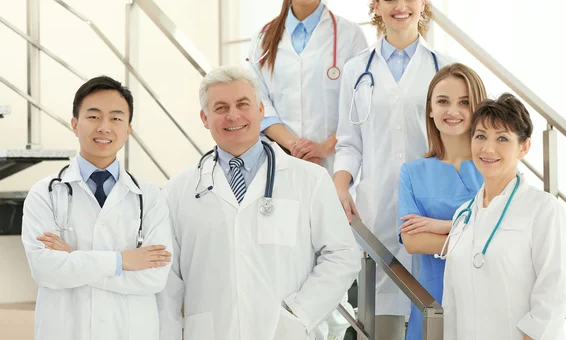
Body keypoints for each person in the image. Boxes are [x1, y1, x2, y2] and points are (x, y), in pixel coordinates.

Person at [157, 65, 361, 340]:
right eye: (220, 108)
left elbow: (342, 255)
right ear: (205, 118)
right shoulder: (177, 191)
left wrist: (299, 314)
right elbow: (168, 281)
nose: (233, 115)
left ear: (261, 111)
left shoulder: (309, 179)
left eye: (243, 104)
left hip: (285, 333)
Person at [334, 0, 452, 339]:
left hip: (432, 202)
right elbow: (349, 141)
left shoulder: (444, 68)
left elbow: (457, 139)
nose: (400, 6)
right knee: (380, 307)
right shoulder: (356, 69)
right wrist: (340, 184)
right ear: (377, 5)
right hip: (377, 201)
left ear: (422, 2)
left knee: (435, 302)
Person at [21, 76, 172, 340]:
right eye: (93, 117)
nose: (104, 127)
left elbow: (155, 278)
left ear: (128, 129)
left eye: (115, 118)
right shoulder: (44, 193)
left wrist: (74, 258)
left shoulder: (150, 197)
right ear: (74, 124)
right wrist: (121, 260)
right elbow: (45, 270)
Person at [442, 93, 566, 340]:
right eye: (480, 136)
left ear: (524, 147)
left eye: (502, 138)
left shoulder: (543, 209)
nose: (488, 148)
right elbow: (452, 302)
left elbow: (552, 295)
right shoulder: (463, 215)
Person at [248, 0, 367, 174]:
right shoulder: (262, 39)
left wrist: (323, 148)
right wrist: (295, 147)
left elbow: (361, 103)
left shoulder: (350, 35)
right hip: (281, 159)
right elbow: (258, 103)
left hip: (335, 162)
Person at [397, 63, 487, 340]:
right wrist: (478, 237)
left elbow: (510, 235)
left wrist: (439, 226)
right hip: (434, 300)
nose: (453, 111)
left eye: (464, 102)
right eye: (443, 101)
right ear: (430, 109)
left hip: (487, 298)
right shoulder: (412, 172)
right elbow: (414, 242)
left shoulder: (495, 167)